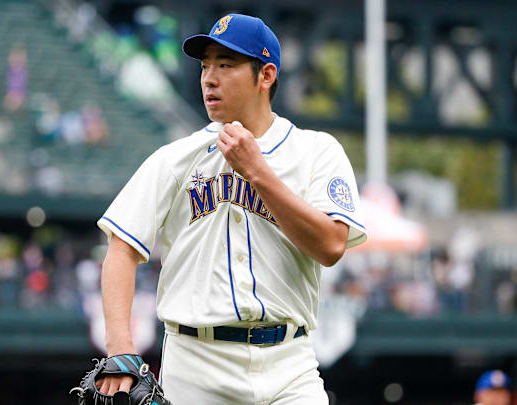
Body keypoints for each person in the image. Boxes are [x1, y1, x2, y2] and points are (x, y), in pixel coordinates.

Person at [95, 14, 367, 404]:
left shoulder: (316, 152)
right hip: (196, 364)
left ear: (266, 75)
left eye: (226, 64)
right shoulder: (174, 159)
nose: (209, 78)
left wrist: (257, 172)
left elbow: (331, 246)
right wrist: (119, 344)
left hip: (289, 363)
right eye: (205, 66)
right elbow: (121, 250)